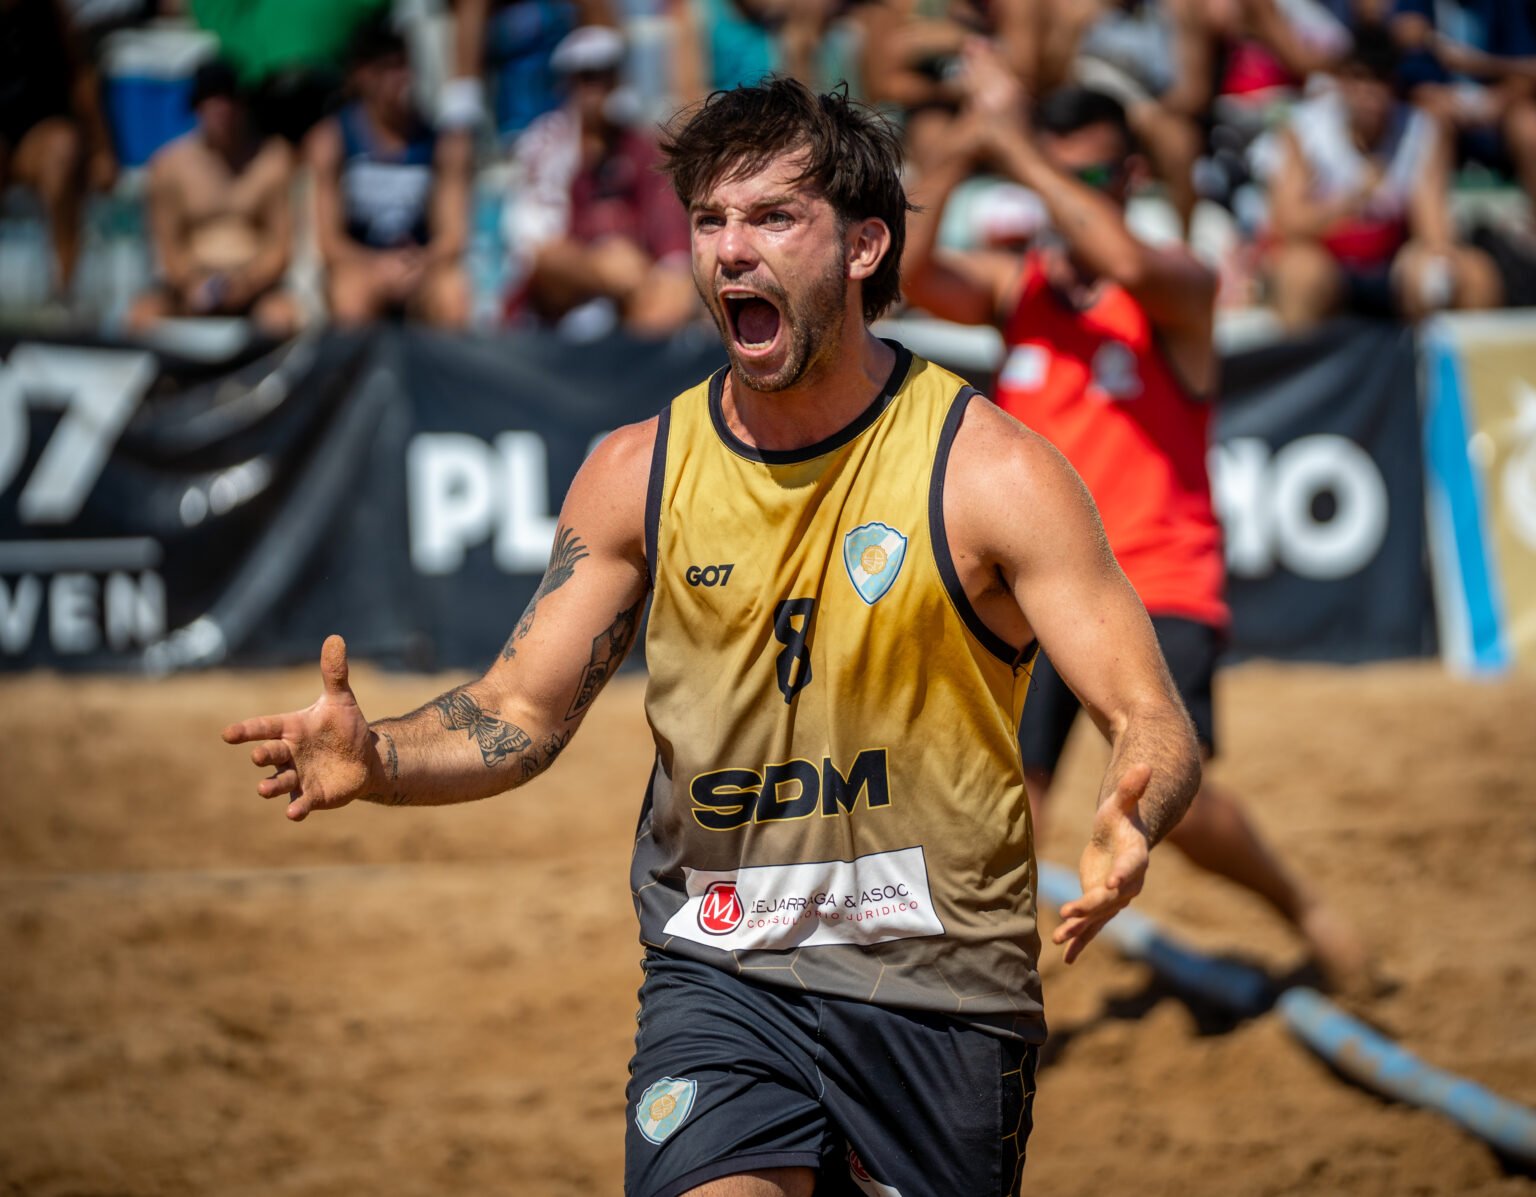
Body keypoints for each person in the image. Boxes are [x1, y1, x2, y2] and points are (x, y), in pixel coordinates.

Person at [225, 78, 1202, 1196]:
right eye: (709, 220)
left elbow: (1149, 715)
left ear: (863, 246)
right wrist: (381, 757)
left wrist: (1138, 800)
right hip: (720, 968)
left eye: (773, 217)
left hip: (939, 992)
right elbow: (520, 710)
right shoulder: (636, 472)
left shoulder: (992, 471)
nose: (732, 251)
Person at [902, 49, 1371, 992]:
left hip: (1160, 582)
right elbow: (903, 270)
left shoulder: (1173, 284)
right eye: (1051, 169)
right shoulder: (1018, 292)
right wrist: (964, 148)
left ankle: (1305, 909)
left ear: (1128, 177)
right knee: (1007, 804)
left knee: (1174, 805)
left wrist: (1019, 149)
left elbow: (1116, 250)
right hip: (1034, 590)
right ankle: (978, 1014)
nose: (1058, 191)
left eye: (1083, 173)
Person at [1258, 24, 1503, 329]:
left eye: (1379, 81)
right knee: (1301, 275)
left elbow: (1435, 231)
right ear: (1343, 81)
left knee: (1475, 275)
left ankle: (1445, 370)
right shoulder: (1306, 130)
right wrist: (1349, 202)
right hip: (1328, 262)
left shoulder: (1420, 131)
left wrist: (1436, 273)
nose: (1369, 93)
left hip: (1393, 267)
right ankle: (1308, 373)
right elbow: (1286, 224)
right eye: (1359, 79)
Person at [504, 25, 699, 336]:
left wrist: (646, 275)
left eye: (605, 76)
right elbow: (535, 255)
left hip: (636, 293)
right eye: (585, 77)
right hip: (559, 300)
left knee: (677, 293)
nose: (596, 90)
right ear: (567, 84)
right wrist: (600, 268)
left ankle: (633, 377)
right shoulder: (544, 146)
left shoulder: (644, 148)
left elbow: (672, 250)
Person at [307, 21, 472, 328]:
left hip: (419, 265)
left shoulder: (440, 143)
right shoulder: (333, 139)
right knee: (351, 295)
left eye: (404, 67)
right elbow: (329, 241)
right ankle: (354, 375)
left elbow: (453, 235)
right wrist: (377, 267)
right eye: (387, 69)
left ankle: (448, 375)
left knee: (452, 293)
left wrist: (422, 262)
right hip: (361, 263)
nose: (400, 79)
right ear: (362, 75)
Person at [128, 60, 301, 337]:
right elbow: (168, 247)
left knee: (283, 317)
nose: (222, 112)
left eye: (228, 101)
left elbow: (280, 246)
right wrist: (192, 283)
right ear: (197, 108)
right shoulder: (170, 165)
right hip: (190, 281)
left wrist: (247, 283)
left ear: (242, 106)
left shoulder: (272, 159)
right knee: (143, 316)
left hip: (254, 283)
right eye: (212, 103)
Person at [0, 0, 117, 305]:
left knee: (62, 151)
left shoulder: (50, 16)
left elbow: (82, 79)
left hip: (39, 130)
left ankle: (66, 292)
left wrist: (103, 151)